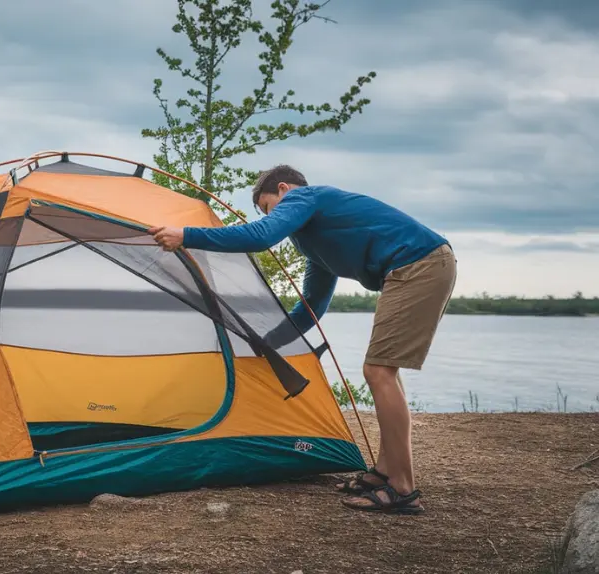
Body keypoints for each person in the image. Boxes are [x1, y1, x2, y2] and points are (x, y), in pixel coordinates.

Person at [147, 164, 456, 515]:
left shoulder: (307, 196)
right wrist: (267, 343)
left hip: (419, 264)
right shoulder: (314, 240)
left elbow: (259, 237)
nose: (273, 217)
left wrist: (186, 235)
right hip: (415, 267)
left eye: (269, 208)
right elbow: (311, 307)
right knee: (384, 371)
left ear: (283, 189)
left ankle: (402, 489)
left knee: (378, 371)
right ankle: (386, 472)